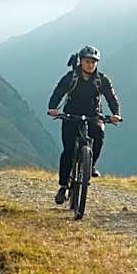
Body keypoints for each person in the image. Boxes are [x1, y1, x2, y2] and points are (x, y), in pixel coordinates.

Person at [48, 45, 122, 204]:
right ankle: (63, 186)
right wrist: (53, 108)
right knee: (68, 151)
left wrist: (116, 113)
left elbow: (111, 97)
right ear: (81, 61)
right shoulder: (71, 77)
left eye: (93, 62)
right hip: (71, 115)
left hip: (93, 115)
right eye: (87, 61)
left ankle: (91, 164)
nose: (90, 64)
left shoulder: (101, 80)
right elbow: (58, 92)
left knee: (99, 135)